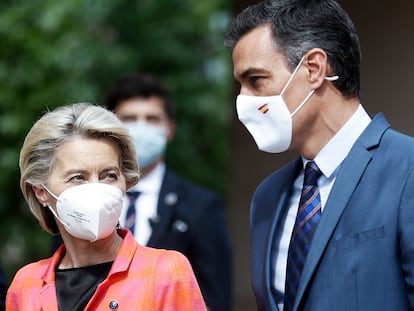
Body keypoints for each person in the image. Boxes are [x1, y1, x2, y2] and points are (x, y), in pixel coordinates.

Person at [225, 0, 414, 310]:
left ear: (313, 68)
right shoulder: (267, 197)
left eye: (256, 80)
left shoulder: (407, 169)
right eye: (240, 85)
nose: (243, 100)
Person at [7, 103, 206, 311]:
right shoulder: (26, 285)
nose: (96, 188)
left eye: (109, 175)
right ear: (41, 192)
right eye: (78, 177)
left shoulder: (166, 272)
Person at [105, 73, 233, 311]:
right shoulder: (83, 200)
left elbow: (214, 299)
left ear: (169, 129)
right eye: (129, 118)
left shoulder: (202, 207)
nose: (140, 128)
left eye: (152, 119)